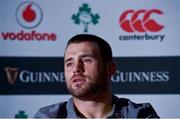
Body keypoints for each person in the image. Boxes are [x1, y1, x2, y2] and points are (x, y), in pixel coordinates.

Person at [34, 34, 159, 118]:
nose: (76, 69)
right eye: (69, 63)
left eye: (87, 60)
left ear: (110, 69)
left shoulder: (139, 115)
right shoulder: (47, 117)